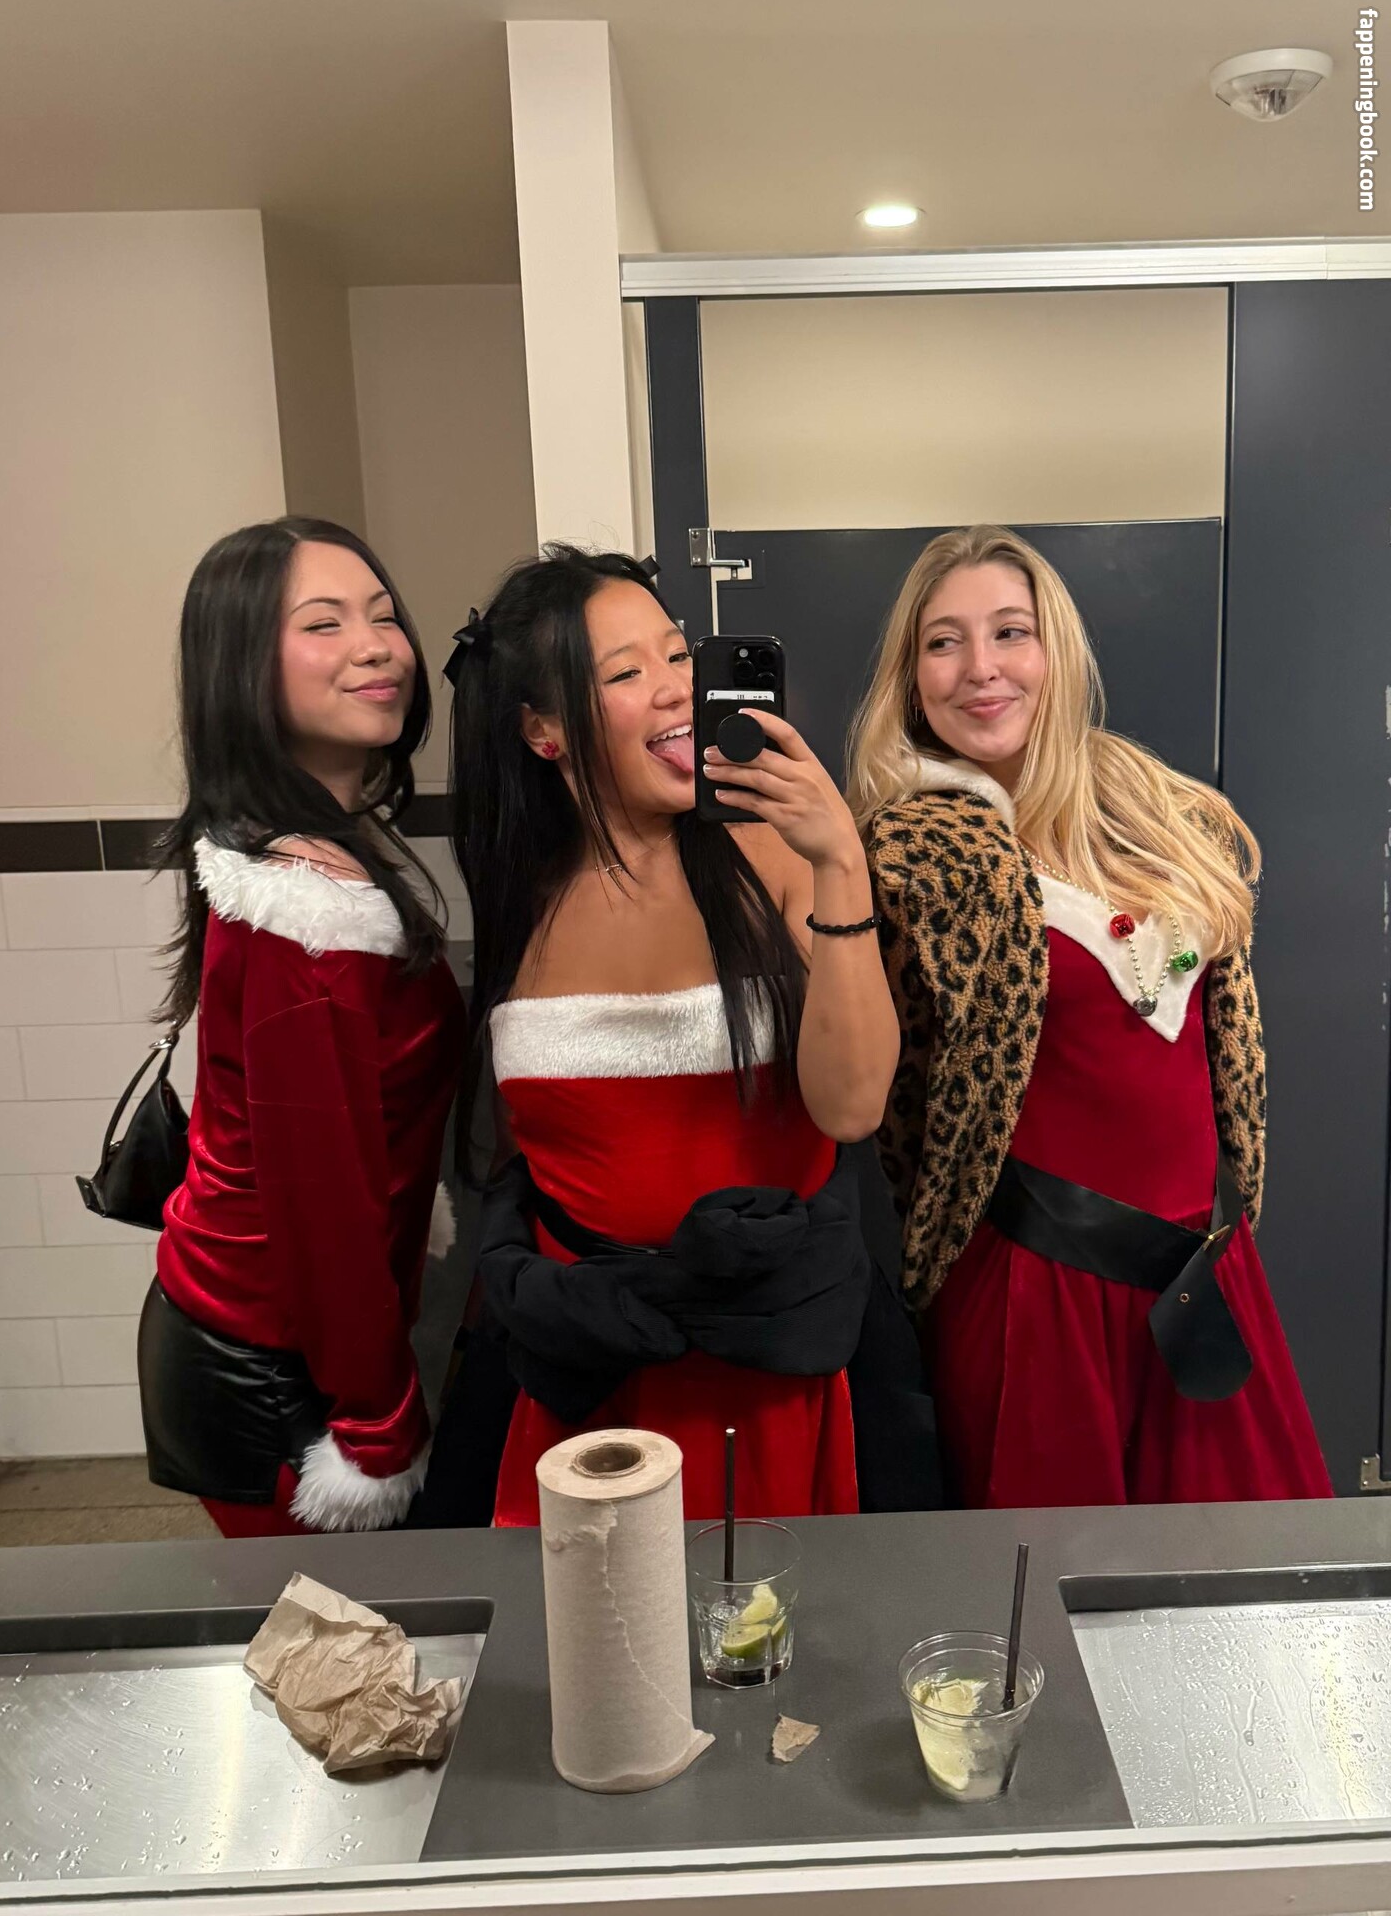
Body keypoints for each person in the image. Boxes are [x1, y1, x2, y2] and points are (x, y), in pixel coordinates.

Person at [849, 524, 1331, 1508]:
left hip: (1198, 1273)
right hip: (1035, 1287)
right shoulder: (907, 857)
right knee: (1047, 1573)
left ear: (1056, 650)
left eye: (1009, 632)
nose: (980, 668)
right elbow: (896, 1115)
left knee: (1230, 1570)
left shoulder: (1167, 814)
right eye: (943, 642)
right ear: (911, 678)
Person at [445, 546, 902, 1525]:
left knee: (772, 1610)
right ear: (543, 730)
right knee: (593, 1616)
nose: (674, 688)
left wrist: (840, 861)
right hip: (586, 1380)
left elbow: (854, 1106)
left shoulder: (773, 854)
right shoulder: (518, 895)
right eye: (625, 672)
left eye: (678, 655)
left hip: (768, 1369)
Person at [137, 517, 466, 1536]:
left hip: (279, 1332)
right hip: (271, 1368)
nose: (376, 647)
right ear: (242, 666)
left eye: (382, 616)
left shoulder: (318, 846)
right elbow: (321, 1204)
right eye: (324, 624)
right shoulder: (301, 907)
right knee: (335, 1637)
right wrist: (378, 1430)